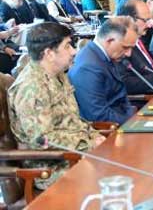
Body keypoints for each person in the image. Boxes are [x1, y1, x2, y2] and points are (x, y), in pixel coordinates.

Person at [8, 22, 105, 190]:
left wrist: (95, 136)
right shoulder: (32, 87)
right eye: (67, 46)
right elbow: (43, 140)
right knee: (112, 177)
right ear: (49, 53)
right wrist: (88, 143)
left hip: (78, 154)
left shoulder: (57, 75)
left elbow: (71, 120)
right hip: (52, 168)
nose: (74, 51)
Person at [68, 17, 138, 124]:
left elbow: (121, 97)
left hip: (123, 121)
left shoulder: (103, 55)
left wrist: (134, 116)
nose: (129, 54)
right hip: (108, 131)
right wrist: (132, 121)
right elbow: (98, 115)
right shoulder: (88, 67)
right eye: (125, 47)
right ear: (109, 41)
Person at [117, 0, 153, 97]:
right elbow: (126, 83)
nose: (150, 24)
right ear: (129, 19)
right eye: (146, 20)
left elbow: (145, 64)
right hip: (150, 100)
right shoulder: (120, 44)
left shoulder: (139, 38)